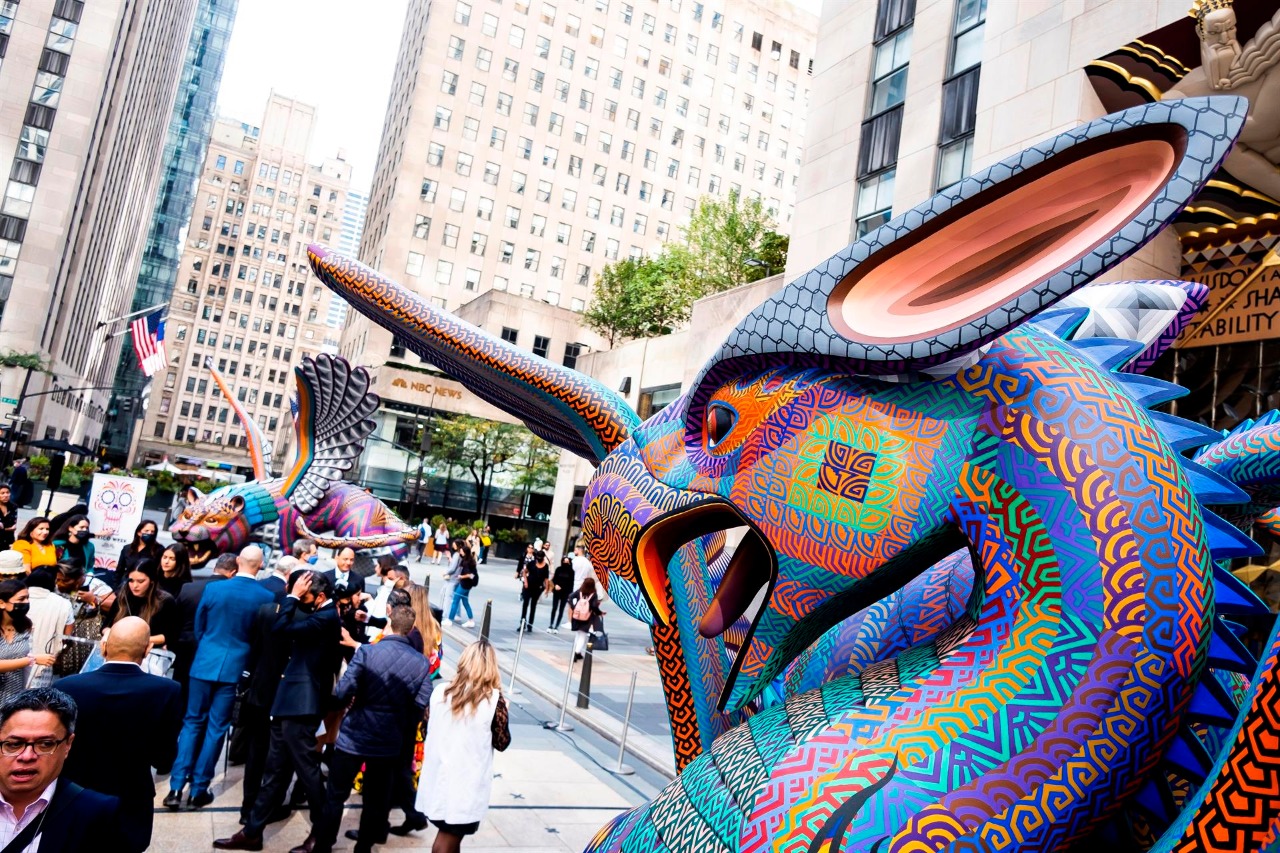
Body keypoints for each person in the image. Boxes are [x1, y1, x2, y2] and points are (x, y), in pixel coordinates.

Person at [216, 570, 342, 852]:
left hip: (301, 703)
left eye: (305, 597)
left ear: (319, 597)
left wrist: (291, 596)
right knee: (274, 771)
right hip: (288, 700)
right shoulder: (321, 613)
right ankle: (252, 832)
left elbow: (281, 627)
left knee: (309, 774)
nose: (300, 602)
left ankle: (323, 835)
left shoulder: (325, 617)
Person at [314, 606, 433, 853]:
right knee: (375, 800)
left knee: (335, 795)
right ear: (410, 630)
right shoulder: (421, 663)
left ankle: (323, 844)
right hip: (388, 741)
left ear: (389, 625)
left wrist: (351, 700)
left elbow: (344, 690)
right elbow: (421, 704)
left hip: (355, 735)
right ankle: (363, 848)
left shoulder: (368, 652)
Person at [57, 617, 182, 851]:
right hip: (132, 796)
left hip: (75, 794)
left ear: (104, 647)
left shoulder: (66, 687)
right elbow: (164, 759)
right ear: (148, 649)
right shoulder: (167, 690)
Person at [166, 545, 273, 810]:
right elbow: (259, 638)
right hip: (234, 666)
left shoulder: (214, 588)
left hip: (204, 661)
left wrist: (208, 650)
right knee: (216, 727)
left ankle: (176, 787)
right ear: (260, 566)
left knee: (192, 723)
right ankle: (198, 789)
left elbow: (200, 626)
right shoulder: (265, 596)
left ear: (238, 562)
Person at [0, 687, 129, 851]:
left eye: (45, 744)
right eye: (14, 744)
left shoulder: (97, 813)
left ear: (68, 745)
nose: (26, 756)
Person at [414, 639, 510, 851]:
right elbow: (502, 742)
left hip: (439, 782)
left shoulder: (440, 692)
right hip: (466, 788)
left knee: (450, 839)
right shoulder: (493, 700)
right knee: (445, 843)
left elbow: (423, 729)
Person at [172, 553, 237, 692]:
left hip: (184, 647)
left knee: (179, 690)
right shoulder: (231, 595)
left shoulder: (188, 588)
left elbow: (175, 621)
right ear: (234, 573)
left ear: (215, 567)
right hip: (213, 651)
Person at [51, 563, 113, 677]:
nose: (59, 584)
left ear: (79, 578)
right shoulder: (56, 586)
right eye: (58, 579)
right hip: (64, 638)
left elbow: (115, 604)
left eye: (65, 581)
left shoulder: (97, 585)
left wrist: (94, 599)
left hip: (87, 640)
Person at [106, 559, 180, 650]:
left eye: (140, 581)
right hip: (119, 648)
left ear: (152, 580)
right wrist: (109, 634)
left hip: (149, 652)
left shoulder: (165, 601)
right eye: (131, 581)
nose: (135, 586)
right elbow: (106, 626)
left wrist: (136, 641)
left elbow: (169, 636)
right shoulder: (123, 597)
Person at [0, 582, 53, 702]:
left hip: (13, 696)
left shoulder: (24, 627)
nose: (26, 602)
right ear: (2, 603)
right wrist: (31, 660)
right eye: (21, 599)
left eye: (28, 598)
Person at [21, 571, 69, 689]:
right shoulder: (63, 603)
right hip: (45, 660)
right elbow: (67, 635)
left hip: (16, 657)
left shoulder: (19, 598)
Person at [114, 520, 163, 586]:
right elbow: (119, 570)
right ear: (139, 532)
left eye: (152, 532)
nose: (150, 533)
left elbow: (160, 572)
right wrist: (116, 587)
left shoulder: (159, 549)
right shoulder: (127, 549)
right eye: (146, 531)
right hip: (127, 585)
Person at [568, 577, 606, 661]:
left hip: (577, 616)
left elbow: (570, 597)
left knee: (578, 634)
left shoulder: (580, 592)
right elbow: (594, 606)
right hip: (587, 617)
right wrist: (600, 613)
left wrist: (573, 607)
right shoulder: (593, 594)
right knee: (583, 635)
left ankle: (577, 652)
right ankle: (576, 653)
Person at [445, 543, 477, 627]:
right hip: (468, 585)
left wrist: (461, 576)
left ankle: (449, 619)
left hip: (464, 584)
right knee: (465, 602)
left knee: (455, 601)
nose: (460, 553)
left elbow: (471, 575)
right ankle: (471, 620)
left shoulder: (467, 562)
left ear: (465, 552)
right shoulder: (469, 560)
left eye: (462, 551)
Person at [518, 550, 550, 633]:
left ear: (543, 558)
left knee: (533, 606)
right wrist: (525, 581)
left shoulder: (546, 566)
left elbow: (546, 579)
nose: (538, 559)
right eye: (537, 557)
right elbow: (524, 572)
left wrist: (546, 589)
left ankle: (530, 625)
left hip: (538, 588)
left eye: (540, 557)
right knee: (525, 604)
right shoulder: (532, 563)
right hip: (528, 586)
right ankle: (522, 623)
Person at [547, 556, 575, 634]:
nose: (565, 563)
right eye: (564, 561)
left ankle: (556, 626)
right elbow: (554, 579)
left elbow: (571, 583)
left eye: (567, 561)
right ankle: (551, 624)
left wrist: (568, 592)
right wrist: (555, 585)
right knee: (554, 607)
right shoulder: (558, 569)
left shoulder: (571, 571)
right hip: (556, 591)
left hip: (565, 592)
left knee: (561, 609)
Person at [0, 486, 17, 551]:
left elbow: (13, 526)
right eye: (2, 493)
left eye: (7, 492)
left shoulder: (13, 506)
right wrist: (7, 529)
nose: (6, 495)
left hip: (8, 539)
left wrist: (3, 528)